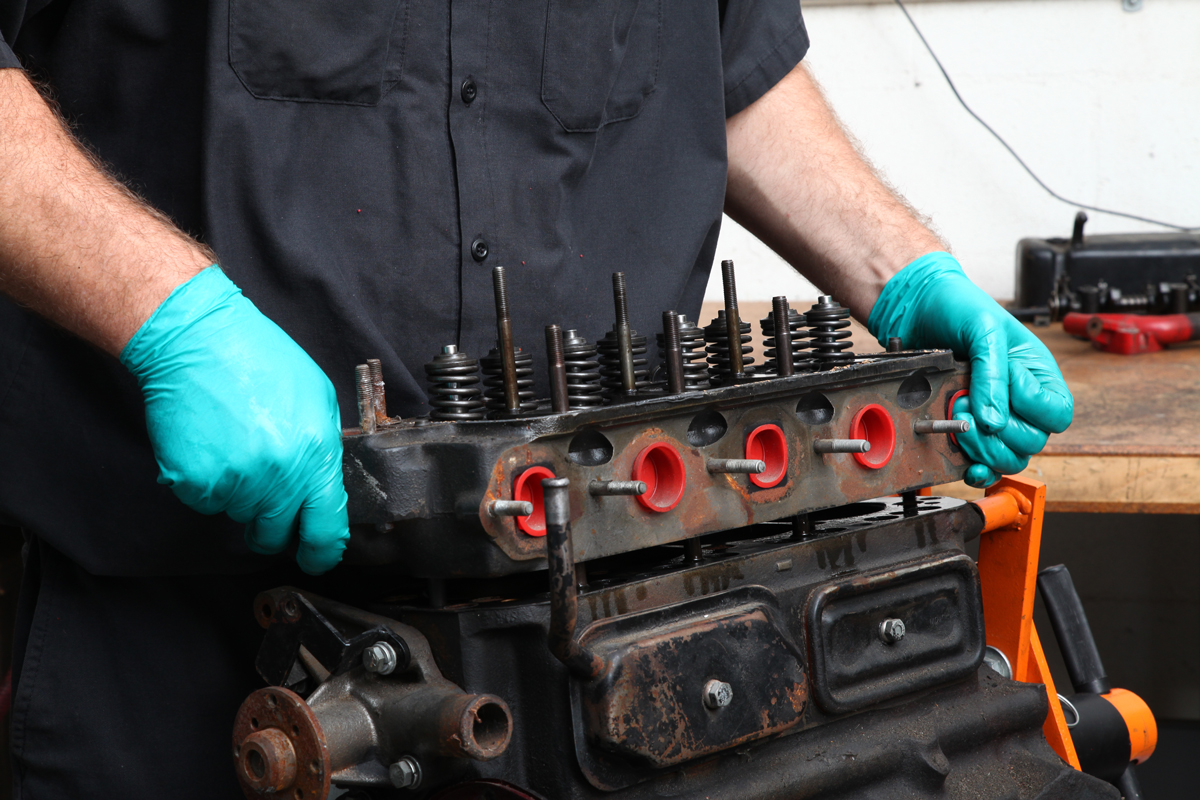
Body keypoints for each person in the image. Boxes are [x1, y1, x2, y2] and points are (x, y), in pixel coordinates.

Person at [0, 1, 1071, 796]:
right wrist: (164, 313)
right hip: (179, 640)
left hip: (609, 654)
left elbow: (725, 61)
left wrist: (903, 267)